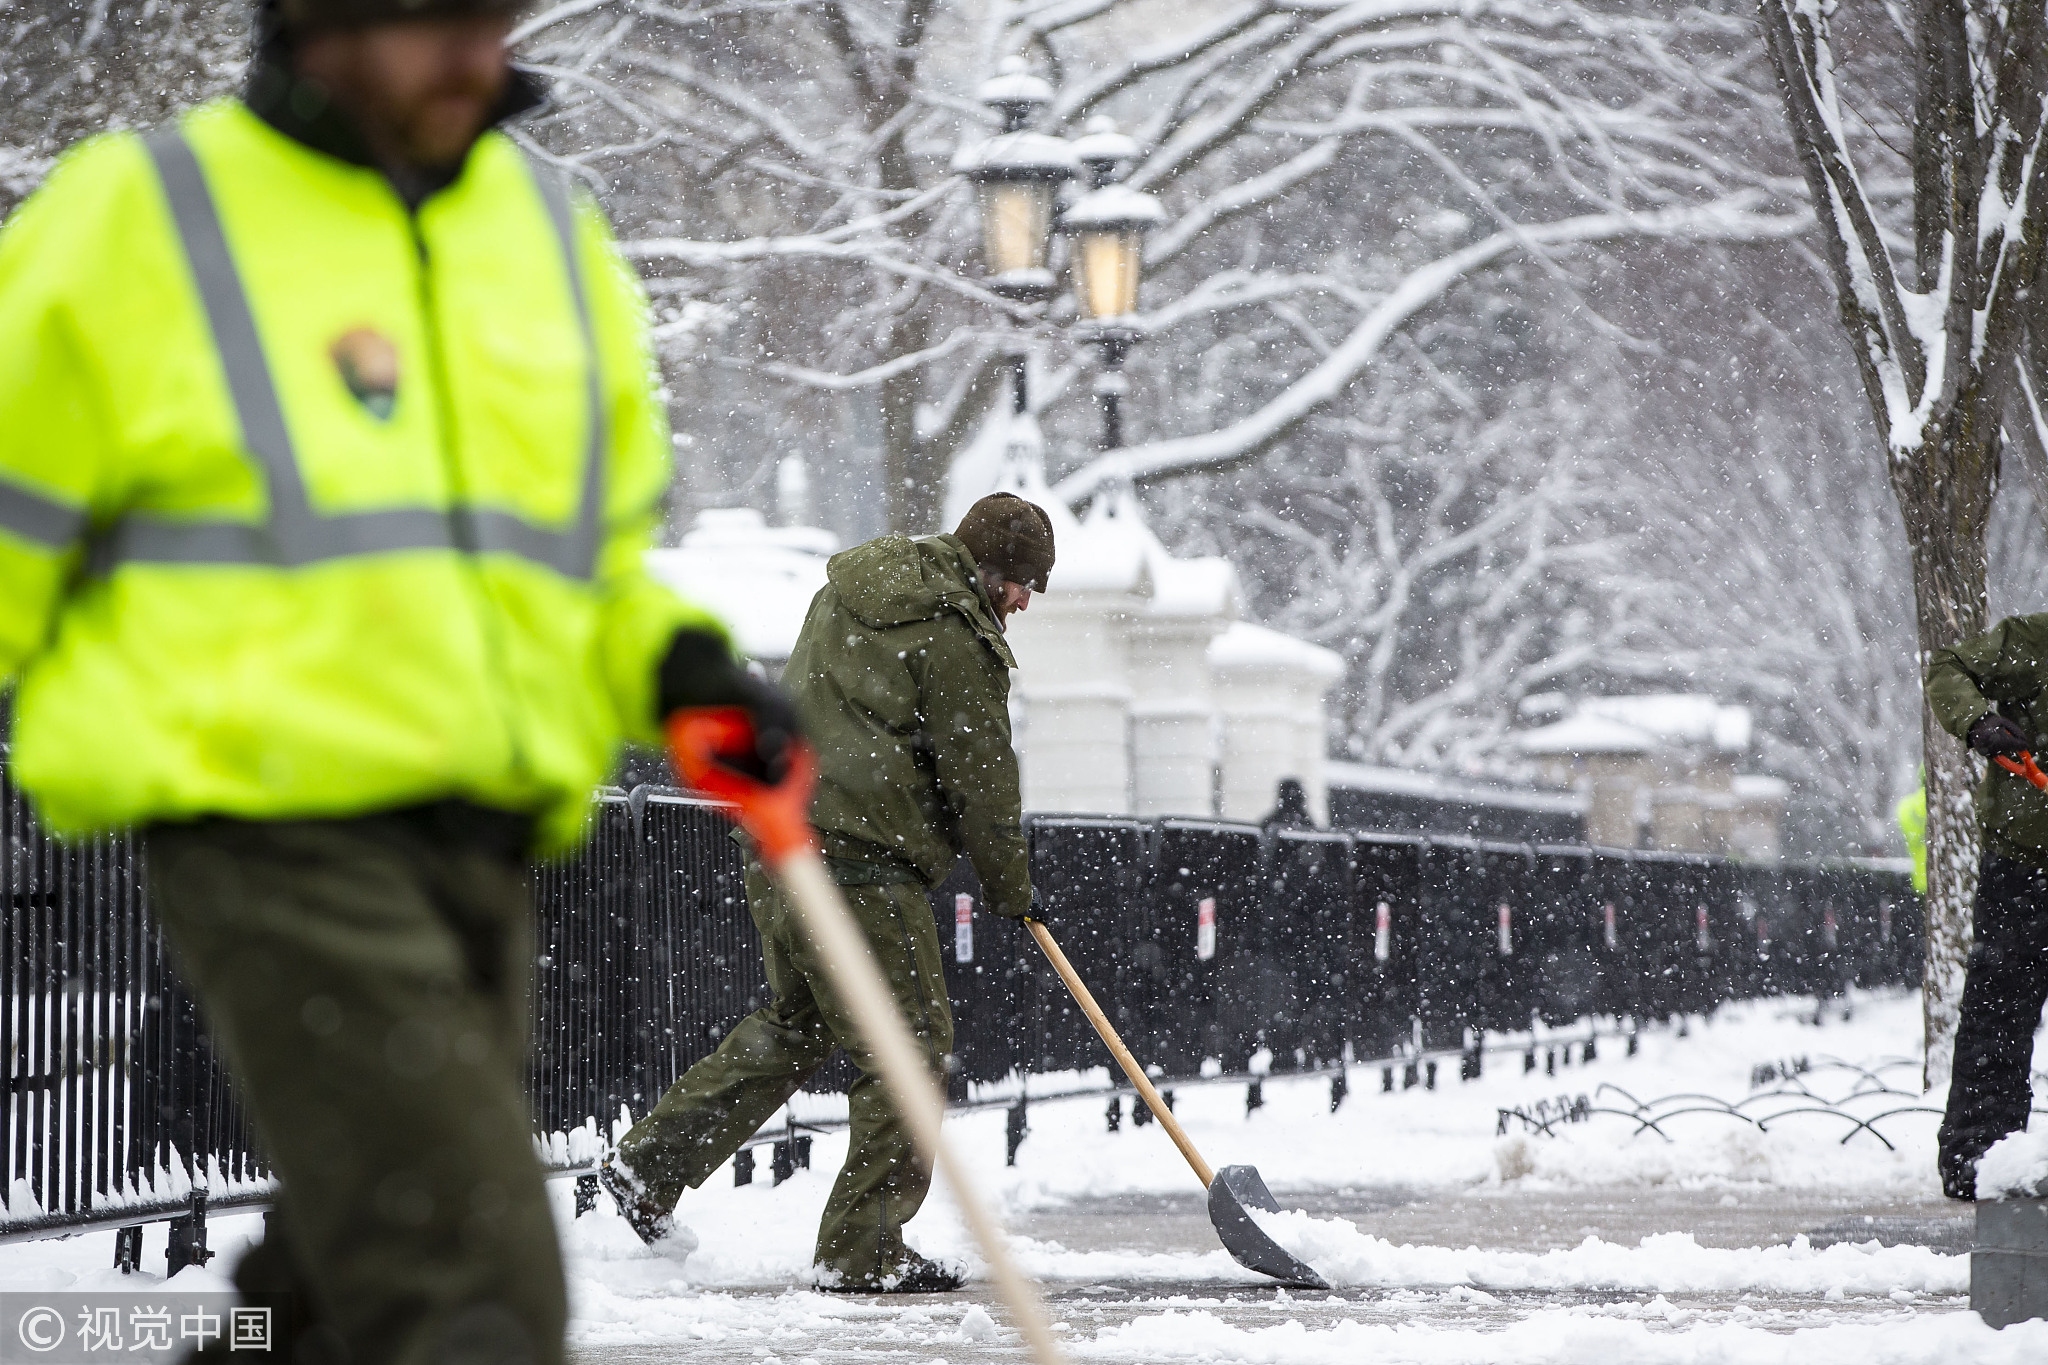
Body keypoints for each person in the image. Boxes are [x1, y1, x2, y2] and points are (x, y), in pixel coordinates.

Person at [0, 3, 796, 1361]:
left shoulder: (547, 242)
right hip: (265, 826)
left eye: (490, 19)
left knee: (359, 1277)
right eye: (429, 22)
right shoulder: (142, 223)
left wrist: (669, 661)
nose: (475, 59)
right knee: (473, 1285)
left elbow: (576, 574)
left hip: (482, 847)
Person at [602, 493, 1053, 1292]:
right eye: (1024, 584)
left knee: (798, 1025)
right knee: (909, 1047)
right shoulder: (955, 634)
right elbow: (980, 772)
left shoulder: (852, 587)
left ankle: (648, 1163)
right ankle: (863, 1250)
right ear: (990, 570)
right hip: (864, 864)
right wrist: (1011, 886)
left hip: (784, 843)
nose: (1023, 602)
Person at [1925, 615, 2048, 1200]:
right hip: (2024, 866)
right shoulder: (2035, 642)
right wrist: (1980, 722)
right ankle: (1979, 1156)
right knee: (1999, 1012)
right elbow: (1948, 668)